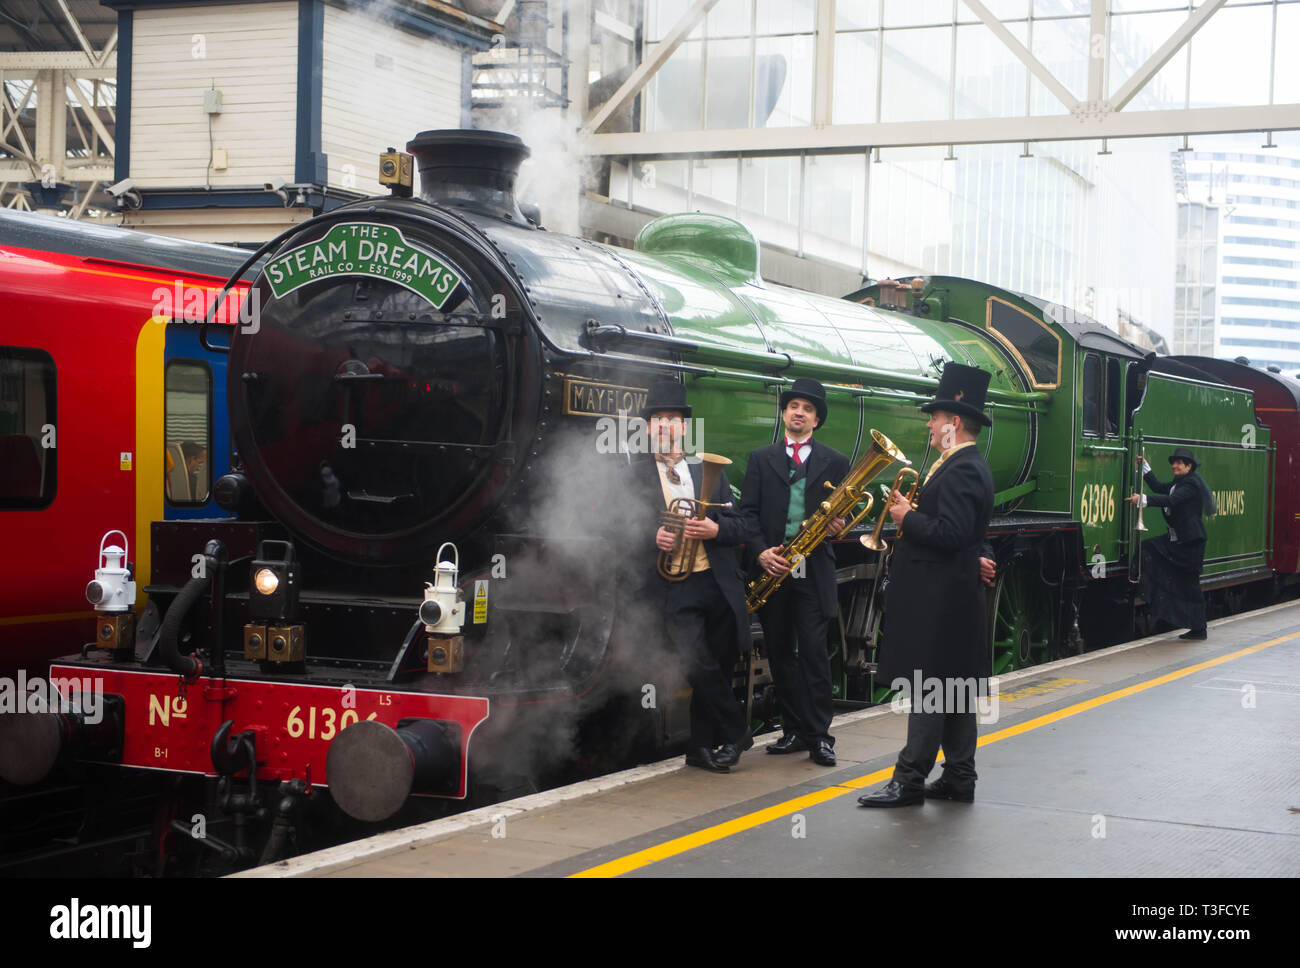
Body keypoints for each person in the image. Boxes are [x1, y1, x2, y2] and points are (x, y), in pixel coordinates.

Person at [858, 363, 996, 808]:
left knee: (929, 686)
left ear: (954, 423)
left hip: (939, 602)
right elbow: (968, 536)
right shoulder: (963, 464)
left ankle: (909, 778)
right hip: (951, 598)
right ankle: (959, 775)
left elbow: (952, 534)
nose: (930, 425)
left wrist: (905, 518)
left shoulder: (962, 469)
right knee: (954, 687)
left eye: (934, 418)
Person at [631, 379, 752, 773]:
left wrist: (717, 530)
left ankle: (699, 747)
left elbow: (741, 524)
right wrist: (650, 536)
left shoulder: (705, 470)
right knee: (698, 662)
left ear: (685, 427)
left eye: (673, 419)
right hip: (673, 586)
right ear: (648, 428)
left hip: (715, 584)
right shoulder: (630, 475)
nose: (666, 426)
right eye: (659, 420)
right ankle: (737, 732)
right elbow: (609, 532)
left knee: (715, 661)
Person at [738, 378, 849, 767]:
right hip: (774, 568)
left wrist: (840, 525)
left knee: (815, 654)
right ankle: (794, 731)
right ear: (785, 414)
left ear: (817, 420)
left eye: (807, 408)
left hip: (812, 569)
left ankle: (820, 736)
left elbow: (843, 515)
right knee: (781, 653)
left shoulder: (835, 462)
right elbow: (748, 515)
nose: (798, 412)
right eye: (793, 406)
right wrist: (761, 552)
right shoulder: (759, 458)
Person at [1127, 448, 1212, 640]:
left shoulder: (1190, 485)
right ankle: (1138, 582)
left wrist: (1142, 500)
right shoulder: (1178, 483)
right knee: (1148, 548)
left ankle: (1199, 629)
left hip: (1190, 543)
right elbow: (1158, 487)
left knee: (1190, 584)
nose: (1174, 466)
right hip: (1178, 540)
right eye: (1173, 462)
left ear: (1189, 466)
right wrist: (1145, 467)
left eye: (1179, 463)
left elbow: (1172, 500)